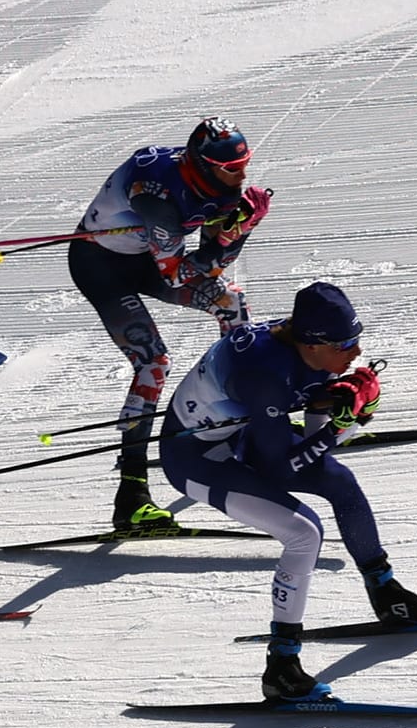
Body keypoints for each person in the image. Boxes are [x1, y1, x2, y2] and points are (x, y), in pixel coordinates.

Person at [158, 282, 417, 701]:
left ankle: (389, 596)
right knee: (303, 532)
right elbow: (281, 467)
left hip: (242, 436)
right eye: (346, 345)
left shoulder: (306, 349)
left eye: (357, 340)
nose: (355, 353)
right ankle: (281, 666)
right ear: (313, 343)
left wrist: (339, 408)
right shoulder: (264, 374)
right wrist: (344, 423)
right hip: (197, 459)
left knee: (340, 481)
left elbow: (310, 449)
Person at [70, 115, 273, 533]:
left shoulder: (220, 186)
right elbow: (178, 275)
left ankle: (245, 425)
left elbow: (213, 271)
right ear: (201, 164)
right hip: (101, 265)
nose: (241, 175)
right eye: (230, 168)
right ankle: (131, 494)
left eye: (243, 165)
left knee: (232, 305)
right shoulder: (156, 198)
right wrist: (233, 232)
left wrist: (236, 228)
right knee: (153, 362)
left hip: (149, 259)